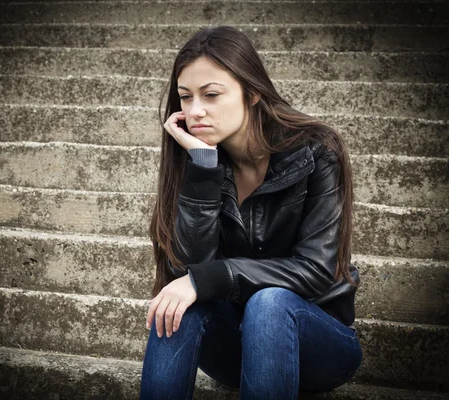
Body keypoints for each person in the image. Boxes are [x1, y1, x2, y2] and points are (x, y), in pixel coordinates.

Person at [140, 26, 363, 400]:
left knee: (269, 302)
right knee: (180, 302)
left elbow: (316, 269)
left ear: (253, 91)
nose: (195, 111)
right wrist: (203, 167)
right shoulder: (197, 160)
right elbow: (187, 271)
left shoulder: (317, 151)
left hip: (318, 343)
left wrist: (212, 277)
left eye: (211, 94)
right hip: (236, 351)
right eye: (185, 97)